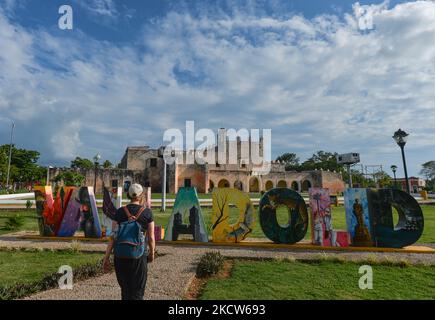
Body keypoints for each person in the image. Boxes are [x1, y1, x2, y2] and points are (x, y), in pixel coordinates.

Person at [103, 183, 155, 300]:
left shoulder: (119, 212)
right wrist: (151, 254)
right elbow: (151, 237)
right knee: (137, 292)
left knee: (125, 291)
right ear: (142, 196)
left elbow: (113, 237)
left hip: (120, 256)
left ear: (128, 195)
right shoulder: (147, 213)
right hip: (139, 256)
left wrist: (106, 257)